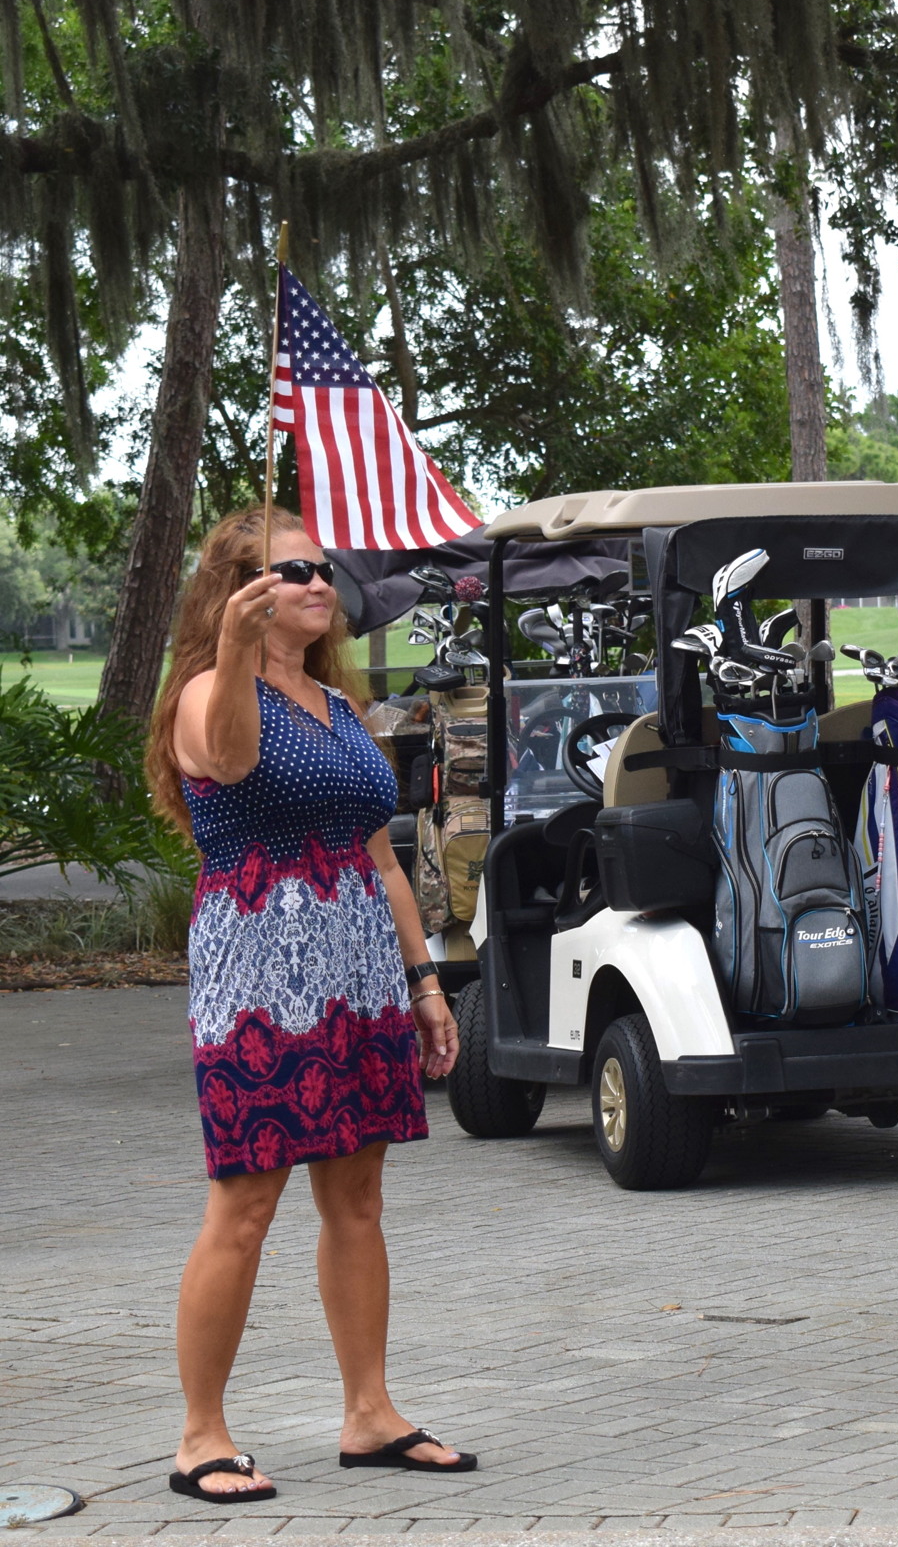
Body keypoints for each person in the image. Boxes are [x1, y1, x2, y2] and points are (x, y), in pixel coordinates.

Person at [144, 509, 476, 1504]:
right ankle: (200, 1433)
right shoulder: (210, 692)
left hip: (361, 969)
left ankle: (369, 1411)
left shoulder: (335, 700)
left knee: (358, 1199)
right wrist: (239, 650)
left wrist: (424, 981)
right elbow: (233, 761)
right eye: (292, 572)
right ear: (240, 590)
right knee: (244, 1204)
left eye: (322, 570)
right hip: (261, 979)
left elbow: (381, 854)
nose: (317, 584)